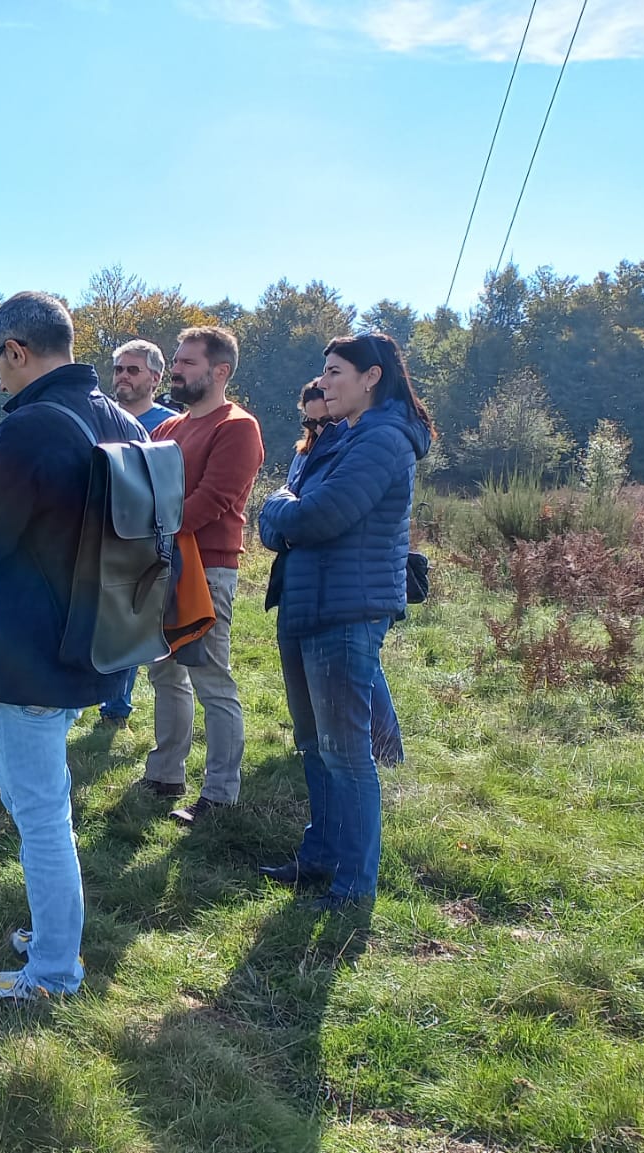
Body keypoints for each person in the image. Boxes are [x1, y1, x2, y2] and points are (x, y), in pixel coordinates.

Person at [0, 291, 142, 1001]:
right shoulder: (121, 419)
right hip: (98, 638)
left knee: (40, 811)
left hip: (31, 649)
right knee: (40, 798)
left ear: (17, 352)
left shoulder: (28, 430)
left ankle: (54, 970)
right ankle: (54, 931)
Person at [257, 333, 434, 909]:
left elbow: (320, 515)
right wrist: (286, 511)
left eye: (335, 372)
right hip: (309, 602)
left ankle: (354, 886)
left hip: (345, 609)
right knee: (314, 745)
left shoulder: (383, 439)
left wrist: (282, 507)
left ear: (371, 377)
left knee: (347, 753)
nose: (325, 382)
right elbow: (280, 523)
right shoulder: (346, 438)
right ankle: (321, 858)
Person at [139, 326, 265, 826]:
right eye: (176, 360)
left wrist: (152, 530)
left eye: (188, 362)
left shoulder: (237, 426)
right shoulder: (168, 430)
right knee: (164, 671)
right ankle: (166, 773)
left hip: (208, 567)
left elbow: (215, 500)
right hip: (161, 563)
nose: (176, 370)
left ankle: (220, 794)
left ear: (220, 371)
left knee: (210, 676)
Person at [278, 378, 404, 766]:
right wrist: (286, 521)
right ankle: (313, 745)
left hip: (346, 588)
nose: (317, 432)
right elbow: (282, 517)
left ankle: (385, 750)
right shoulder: (304, 457)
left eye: (325, 423)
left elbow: (316, 516)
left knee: (362, 674)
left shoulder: (355, 452)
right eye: (310, 425)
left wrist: (292, 520)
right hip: (298, 580)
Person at [93, 339, 184, 729]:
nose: (123, 377)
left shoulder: (165, 427)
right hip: (96, 533)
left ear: (156, 377)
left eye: (133, 370)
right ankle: (91, 695)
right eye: (118, 370)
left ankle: (116, 708)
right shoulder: (100, 417)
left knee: (131, 618)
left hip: (142, 537)